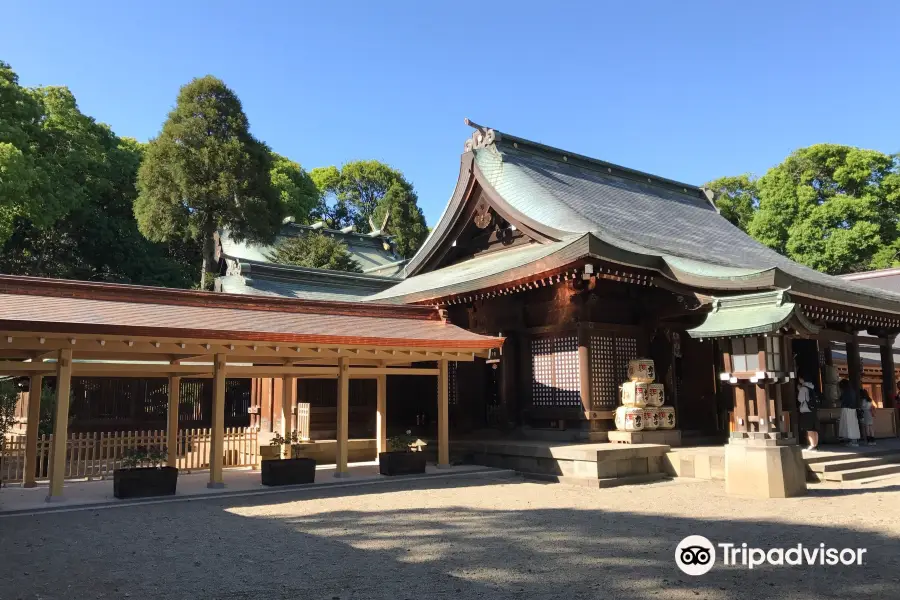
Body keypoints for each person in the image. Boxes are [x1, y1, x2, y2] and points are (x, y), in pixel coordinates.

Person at [797, 375, 819, 451]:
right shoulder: (811, 386)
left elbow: (800, 399)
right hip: (813, 409)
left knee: (809, 429)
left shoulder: (803, 388)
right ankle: (815, 445)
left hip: (806, 409)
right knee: (814, 429)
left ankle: (812, 445)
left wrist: (799, 390)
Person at [838, 379, 860, 447]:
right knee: (853, 425)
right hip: (853, 409)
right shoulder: (853, 391)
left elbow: (841, 399)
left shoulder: (845, 392)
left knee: (848, 426)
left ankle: (851, 441)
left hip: (846, 409)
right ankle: (854, 440)